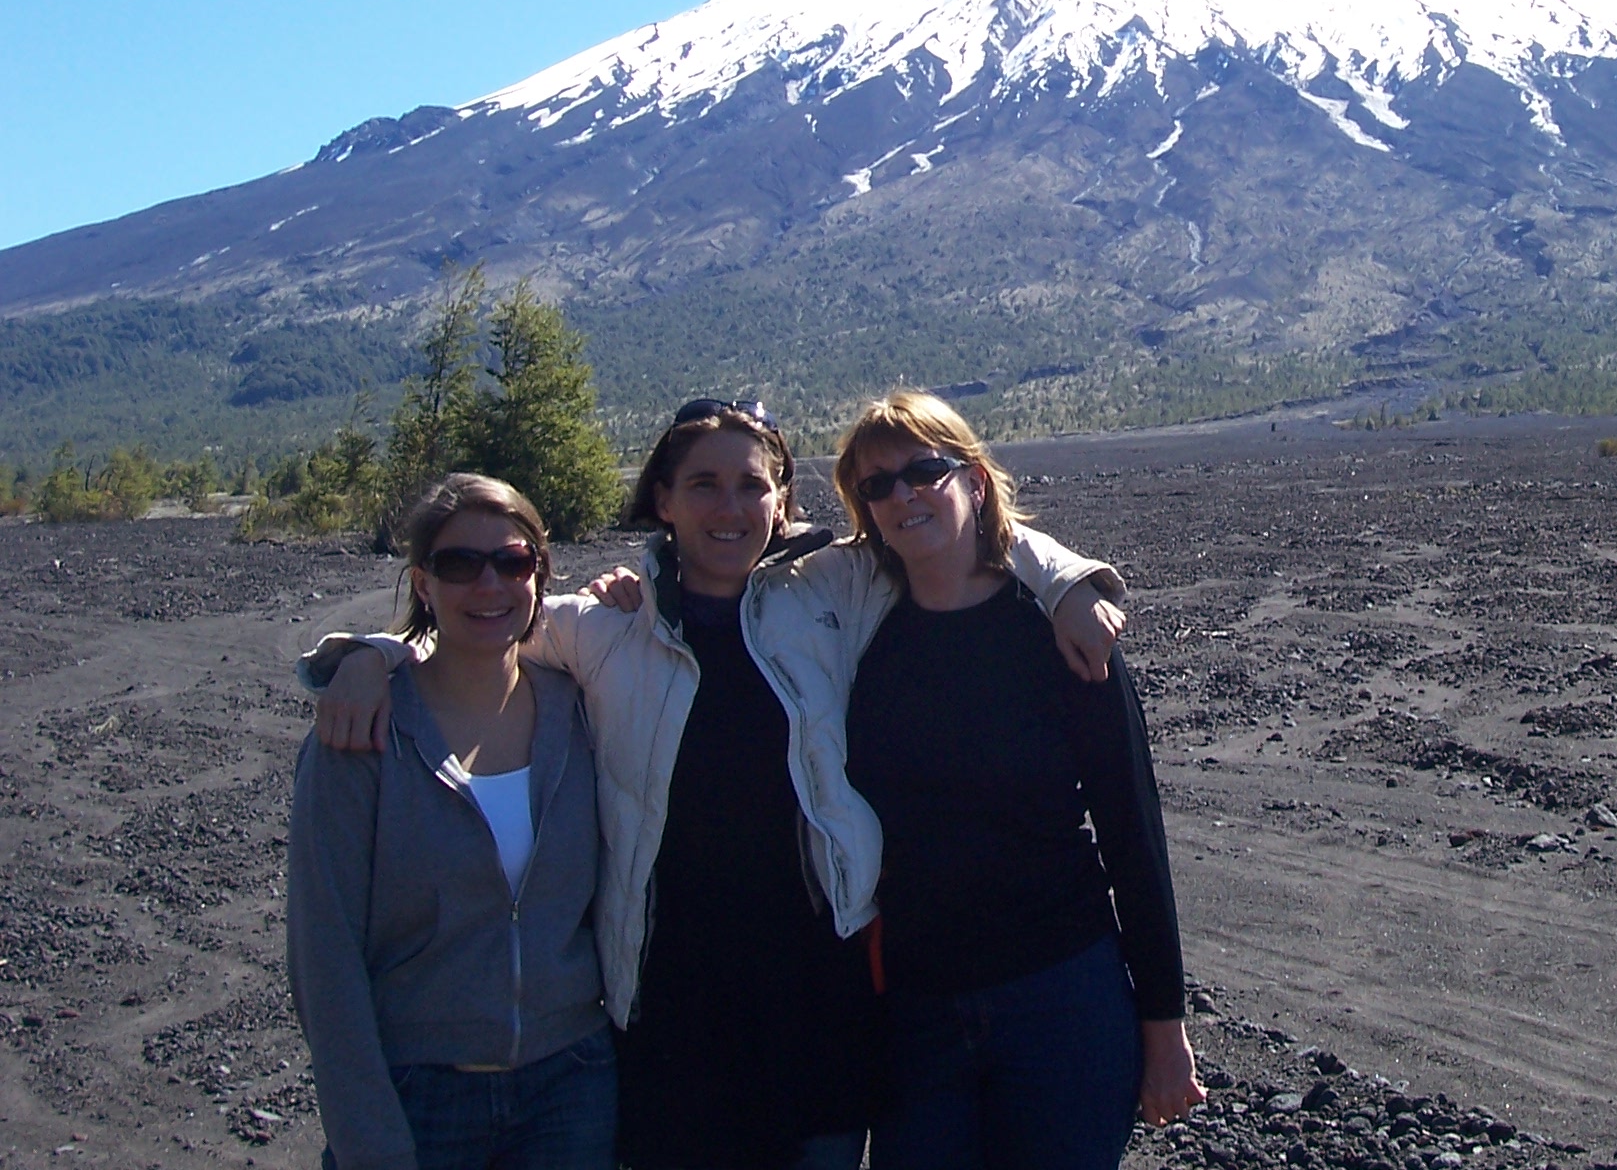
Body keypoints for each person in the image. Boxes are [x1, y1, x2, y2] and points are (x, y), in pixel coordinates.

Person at [301, 399, 1127, 1170]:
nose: (728, 508)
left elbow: (952, 525)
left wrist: (1069, 582)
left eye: (750, 485)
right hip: (672, 1015)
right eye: (703, 484)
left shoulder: (832, 593)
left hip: (819, 1003)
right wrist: (371, 657)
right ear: (663, 499)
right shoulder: (603, 630)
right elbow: (481, 620)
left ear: (781, 503)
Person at [835, 391, 1204, 1170]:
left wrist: (1164, 1023)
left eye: (923, 471)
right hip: (917, 1010)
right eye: (878, 485)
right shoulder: (858, 643)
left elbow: (1133, 833)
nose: (903, 495)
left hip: (1062, 996)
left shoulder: (1058, 639)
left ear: (973, 478)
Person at [288, 473, 615, 1170]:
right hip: (419, 1092)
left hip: (572, 1082)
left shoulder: (581, 709)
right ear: (423, 584)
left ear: (540, 574)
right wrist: (367, 1143)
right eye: (459, 565)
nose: (489, 584)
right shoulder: (363, 734)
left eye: (512, 561)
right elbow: (325, 959)